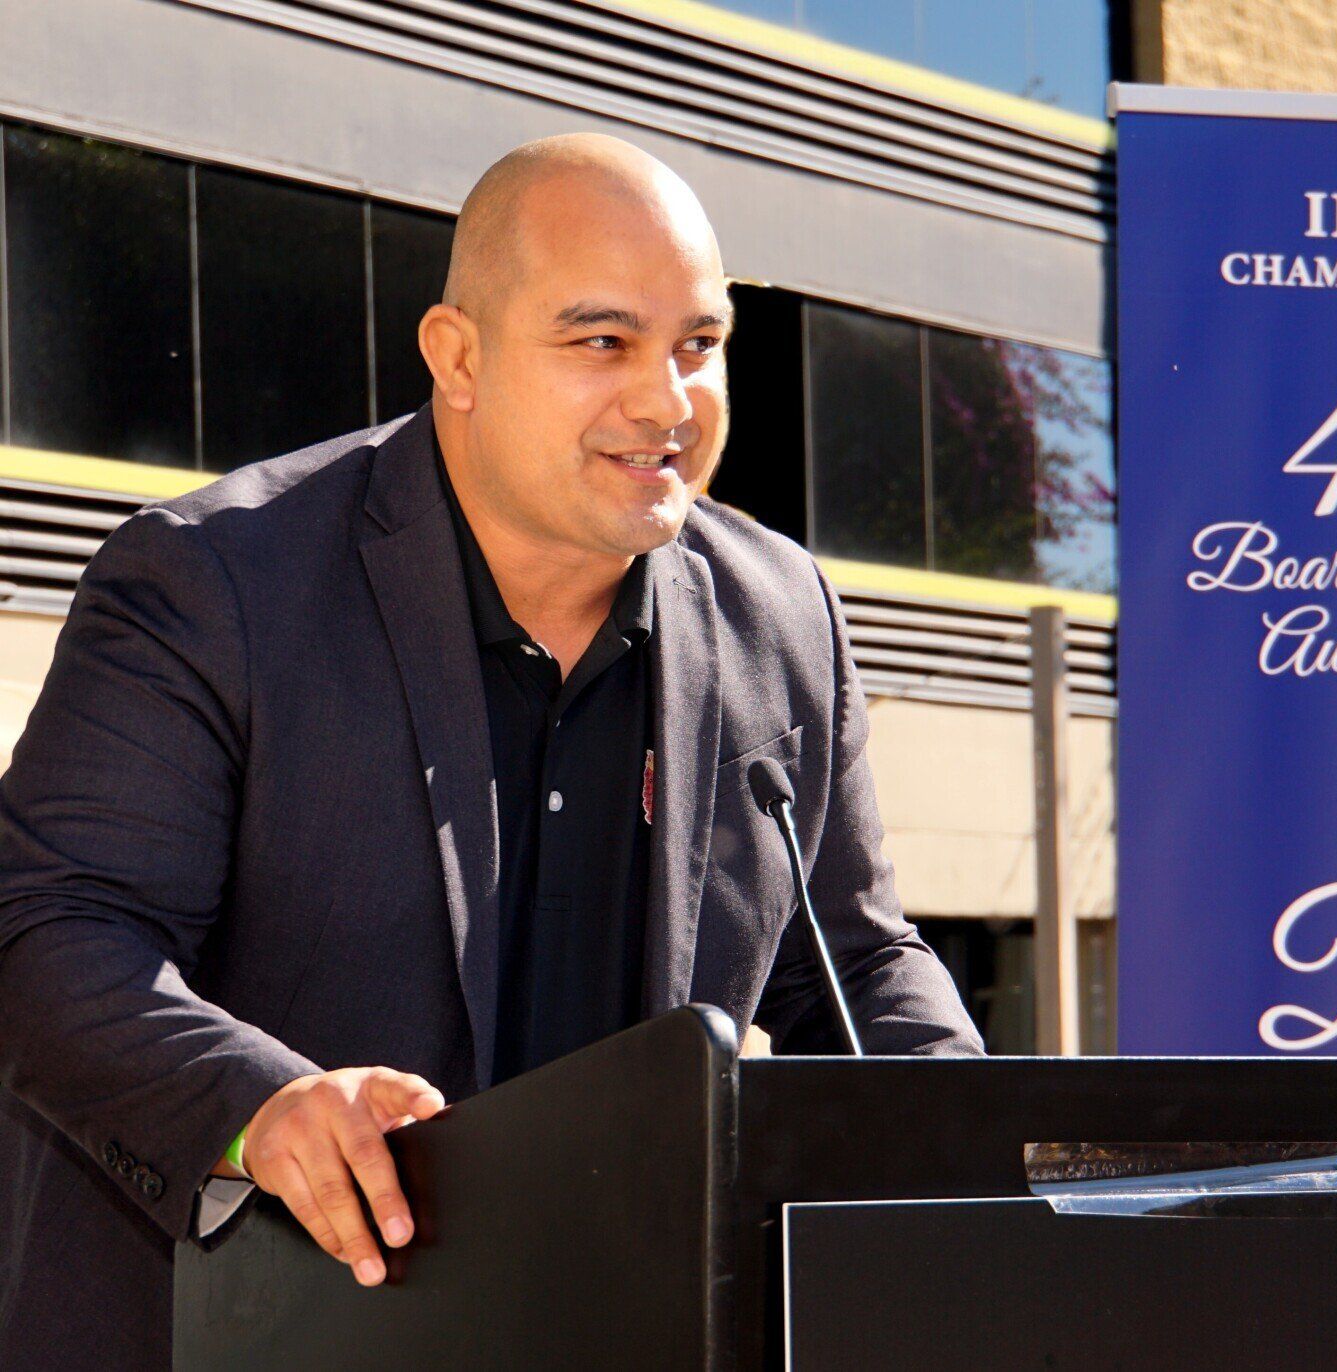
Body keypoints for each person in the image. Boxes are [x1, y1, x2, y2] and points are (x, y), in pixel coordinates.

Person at [0, 132, 983, 1369]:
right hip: (247, 1331)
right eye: (602, 342)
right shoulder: (213, 583)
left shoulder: (783, 612)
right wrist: (259, 1106)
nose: (667, 401)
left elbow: (852, 963)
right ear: (457, 357)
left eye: (700, 344)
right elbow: (51, 929)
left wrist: (1000, 1149)